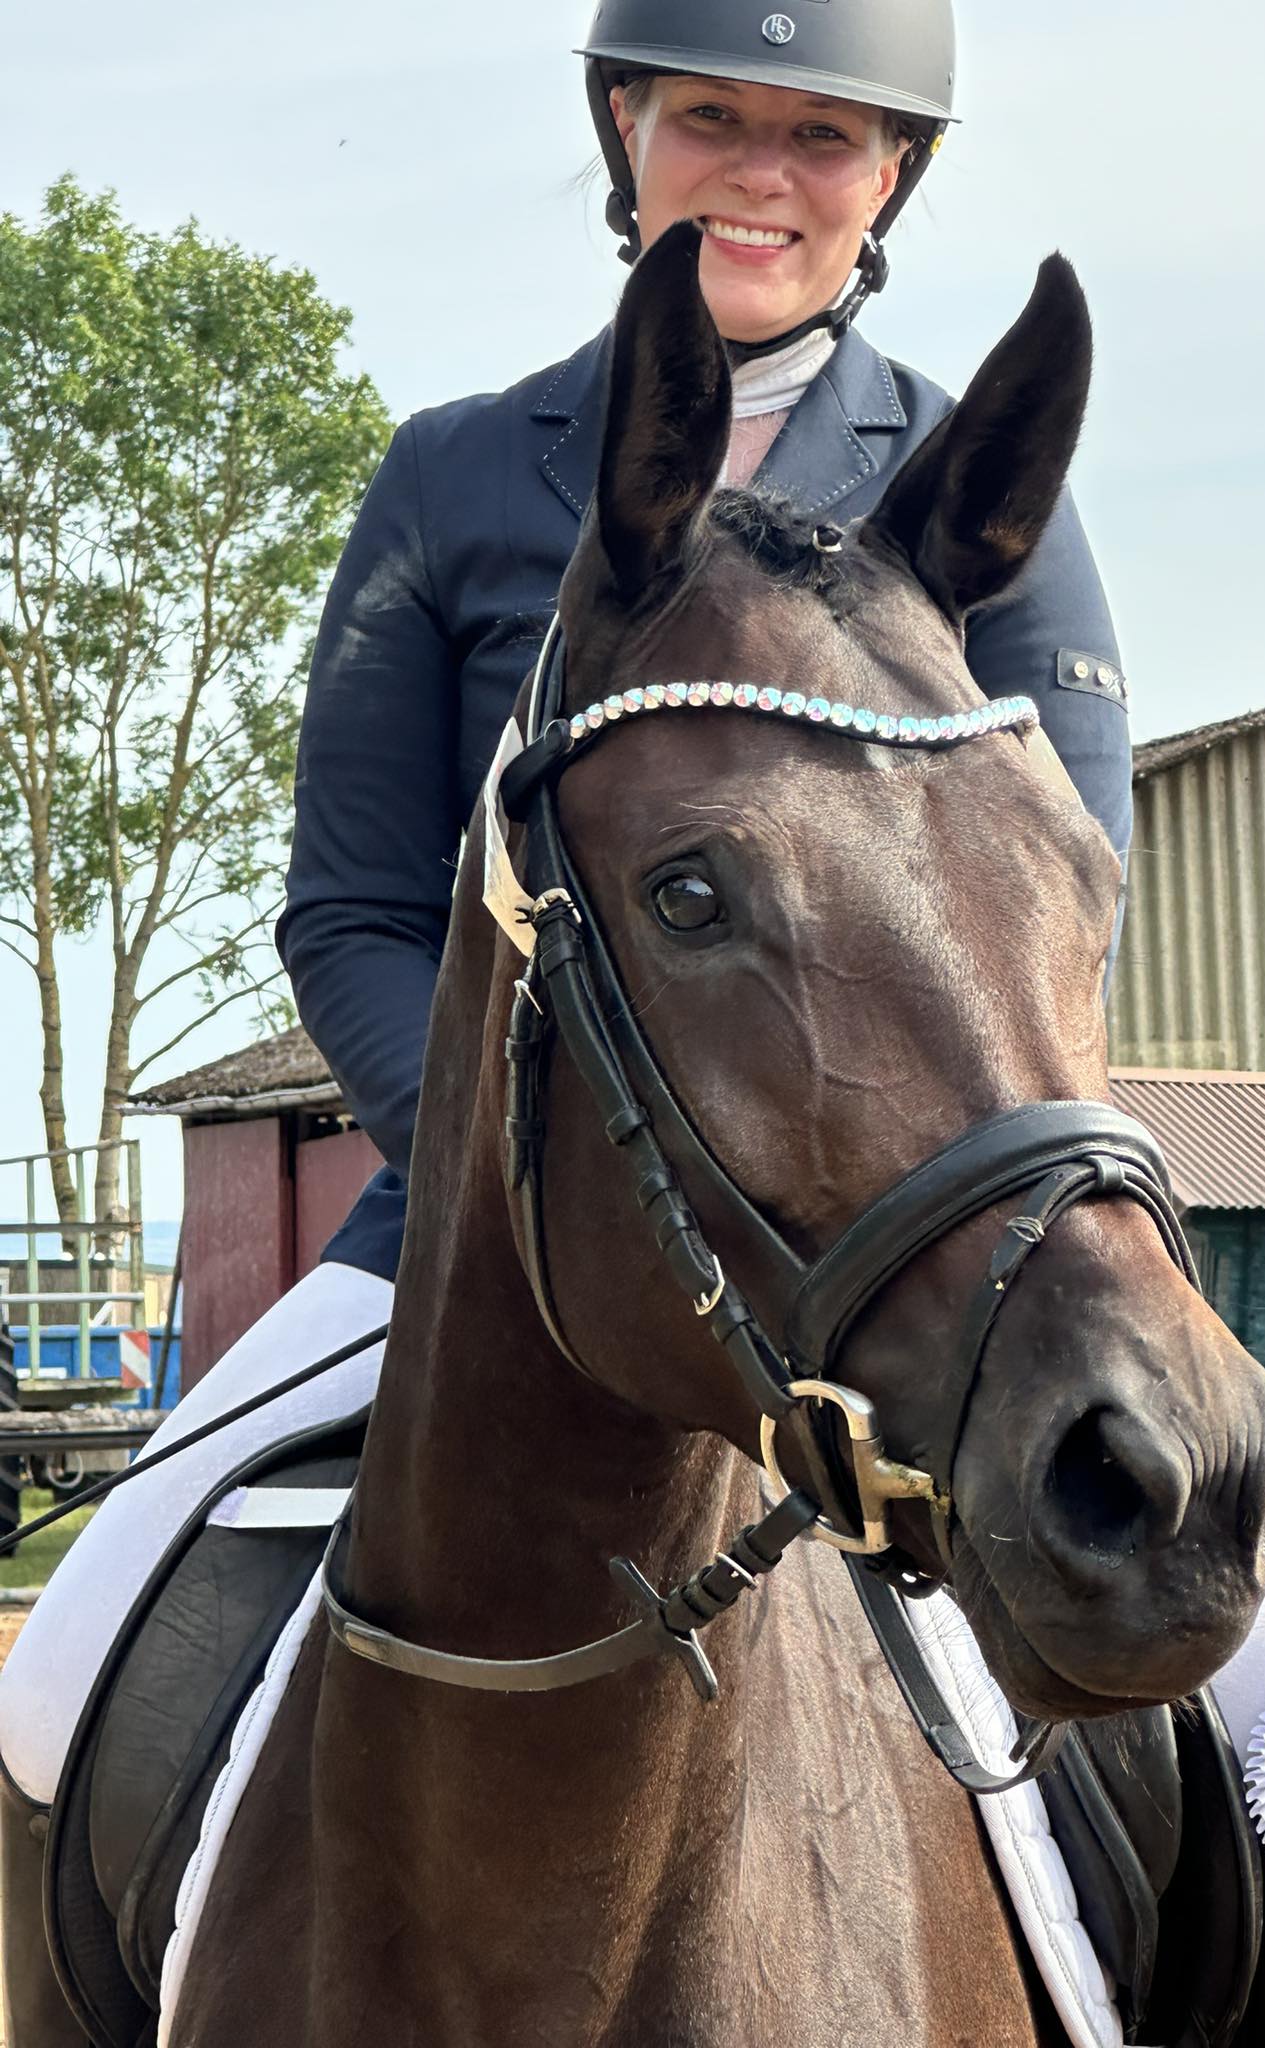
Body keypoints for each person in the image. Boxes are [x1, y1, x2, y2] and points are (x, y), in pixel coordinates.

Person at [0, 0, 1131, 1821]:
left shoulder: (971, 486)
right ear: (626, 131)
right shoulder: (456, 477)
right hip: (467, 1230)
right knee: (74, 1658)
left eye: (824, 137)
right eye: (711, 116)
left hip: (890, 1258)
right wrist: (508, 1188)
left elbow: (1069, 876)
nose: (764, 173)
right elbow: (359, 907)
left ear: (893, 174)